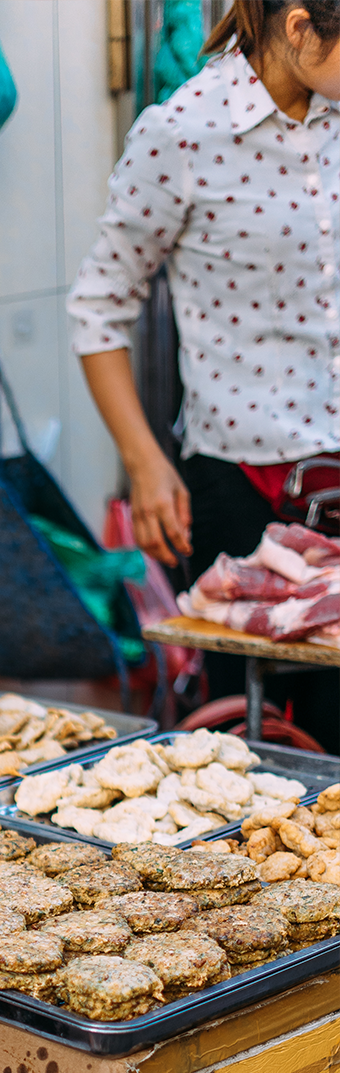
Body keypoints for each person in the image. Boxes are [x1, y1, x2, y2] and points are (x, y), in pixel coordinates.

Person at [69, 0, 340, 748]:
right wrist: (145, 463)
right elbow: (98, 310)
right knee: (267, 747)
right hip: (246, 490)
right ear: (299, 28)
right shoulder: (184, 133)